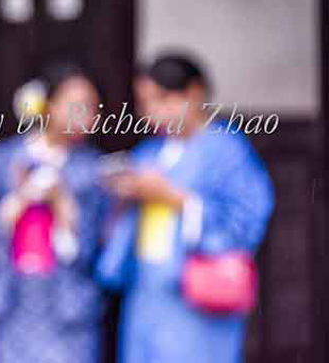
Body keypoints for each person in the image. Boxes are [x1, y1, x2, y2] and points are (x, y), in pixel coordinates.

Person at [97, 53, 275, 363]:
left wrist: (177, 200)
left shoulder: (227, 150)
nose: (152, 112)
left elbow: (247, 219)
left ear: (194, 92)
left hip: (199, 299)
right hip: (147, 295)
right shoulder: (149, 153)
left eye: (162, 99)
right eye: (144, 103)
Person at [0, 62, 109, 363]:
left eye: (93, 107)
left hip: (69, 301)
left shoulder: (94, 169)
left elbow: (102, 245)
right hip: (14, 295)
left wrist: (65, 208)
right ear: (47, 105)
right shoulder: (5, 159)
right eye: (77, 105)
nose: (88, 116)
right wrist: (12, 206)